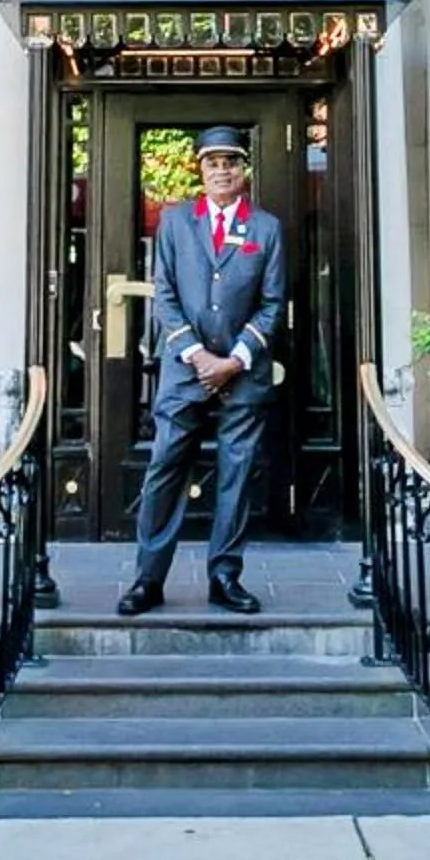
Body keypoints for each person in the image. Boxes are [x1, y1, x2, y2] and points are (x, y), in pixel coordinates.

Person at [117, 124, 285, 616]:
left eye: (230, 162)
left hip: (243, 372)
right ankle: (148, 580)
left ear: (243, 169)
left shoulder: (266, 228)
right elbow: (164, 296)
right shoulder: (175, 222)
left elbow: (273, 304)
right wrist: (198, 356)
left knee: (236, 477)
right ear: (200, 168)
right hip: (185, 370)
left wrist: (234, 360)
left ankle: (225, 577)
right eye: (212, 162)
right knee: (164, 470)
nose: (221, 170)